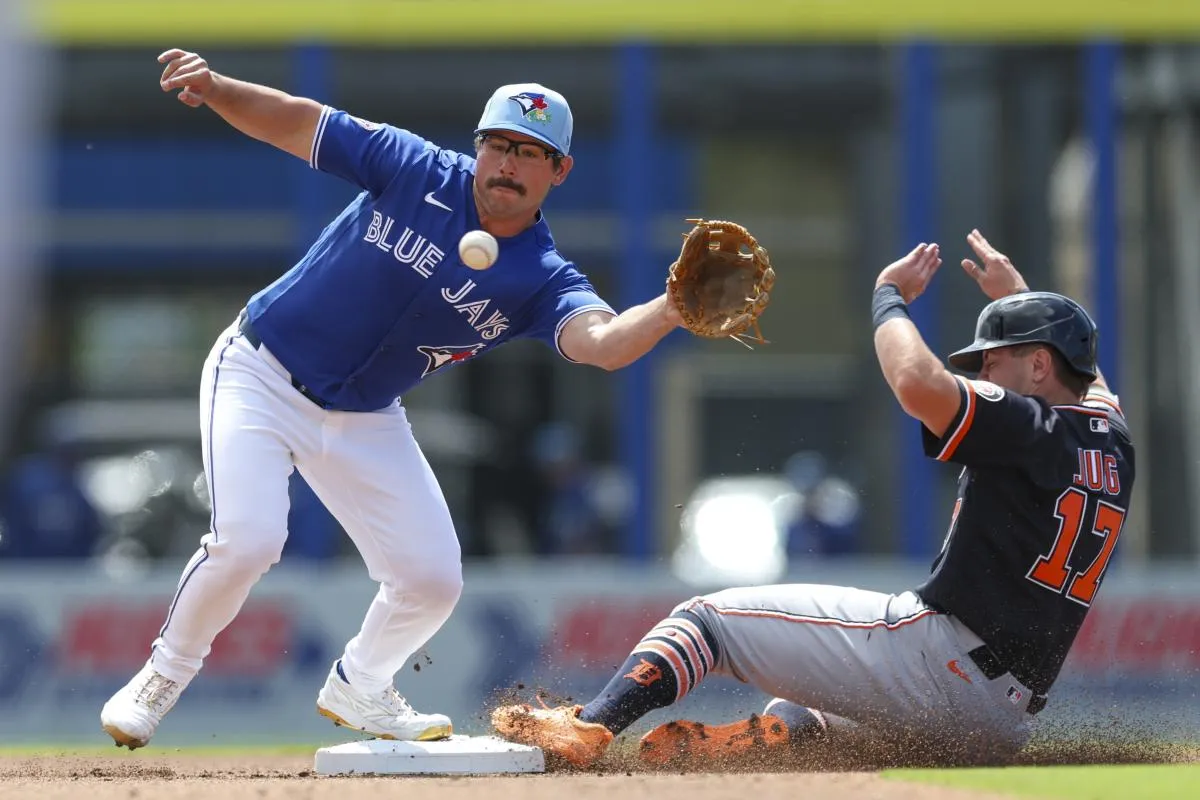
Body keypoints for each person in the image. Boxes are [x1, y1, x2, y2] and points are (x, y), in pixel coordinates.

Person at [100, 49, 686, 750]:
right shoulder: (412, 167)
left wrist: (675, 305)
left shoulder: (541, 278)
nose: (508, 162)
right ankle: (163, 675)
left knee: (433, 578)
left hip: (364, 416)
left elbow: (607, 342)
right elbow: (298, 123)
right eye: (498, 144)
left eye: (530, 152)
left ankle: (362, 683)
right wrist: (219, 87)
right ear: (477, 148)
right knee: (250, 539)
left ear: (558, 171)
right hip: (260, 371)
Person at [492, 230, 1134, 768]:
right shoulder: (1115, 441)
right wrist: (1021, 300)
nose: (984, 370)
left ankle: (588, 727)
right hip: (1002, 723)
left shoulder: (1027, 424)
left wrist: (889, 299)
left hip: (937, 661)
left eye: (995, 358)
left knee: (704, 621)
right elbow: (1089, 376)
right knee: (802, 712)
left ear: (1040, 366)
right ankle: (760, 746)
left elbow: (916, 382)